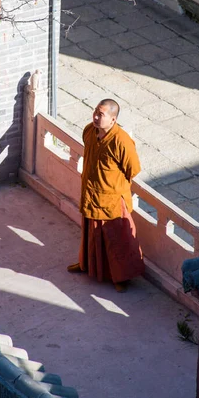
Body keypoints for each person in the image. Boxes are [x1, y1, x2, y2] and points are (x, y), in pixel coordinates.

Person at [67, 98, 144, 292]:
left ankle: (120, 277)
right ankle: (86, 265)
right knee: (90, 235)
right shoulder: (89, 132)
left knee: (116, 240)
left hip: (111, 200)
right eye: (95, 112)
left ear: (113, 119)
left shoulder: (122, 141)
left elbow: (133, 169)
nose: (95, 117)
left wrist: (112, 183)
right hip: (90, 195)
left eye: (100, 114)